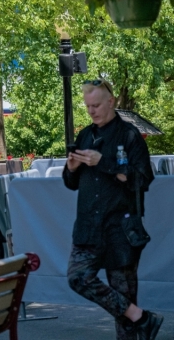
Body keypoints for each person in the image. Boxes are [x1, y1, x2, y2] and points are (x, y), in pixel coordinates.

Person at [63, 80, 161, 340]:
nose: (92, 111)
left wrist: (104, 162)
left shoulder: (129, 135)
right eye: (88, 106)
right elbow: (71, 184)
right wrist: (71, 168)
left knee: (124, 296)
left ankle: (135, 322)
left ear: (111, 101)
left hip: (120, 228)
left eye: (96, 105)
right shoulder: (85, 135)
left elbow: (143, 179)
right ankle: (141, 317)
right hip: (88, 228)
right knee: (77, 278)